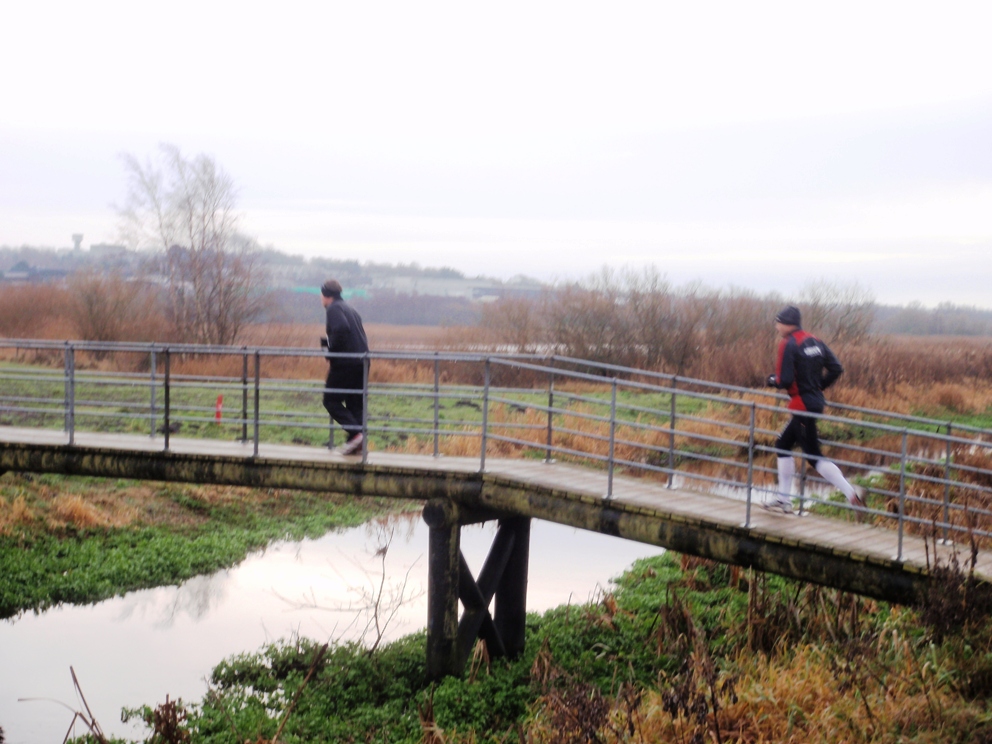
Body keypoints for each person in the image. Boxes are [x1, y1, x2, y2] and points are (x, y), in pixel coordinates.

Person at [765, 305, 866, 514]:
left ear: (786, 324)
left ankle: (851, 493)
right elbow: (836, 368)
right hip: (815, 403)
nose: (776, 327)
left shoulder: (788, 344)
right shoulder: (815, 340)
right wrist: (818, 386)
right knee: (783, 444)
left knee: (814, 455)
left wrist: (772, 380)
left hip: (801, 405)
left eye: (778, 323)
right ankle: (783, 499)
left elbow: (784, 380)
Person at [320, 279, 369, 455]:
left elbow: (340, 328)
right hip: (362, 362)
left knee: (330, 400)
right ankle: (357, 444)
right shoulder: (351, 309)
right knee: (355, 403)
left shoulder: (333, 309)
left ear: (326, 295)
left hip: (345, 363)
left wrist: (331, 350)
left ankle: (356, 434)